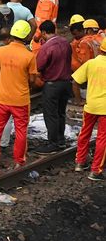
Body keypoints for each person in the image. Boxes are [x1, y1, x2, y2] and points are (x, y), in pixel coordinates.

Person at [0, 20, 38, 171]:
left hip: (2, 97)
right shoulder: (29, 56)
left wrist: (7, 75)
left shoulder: (1, 51)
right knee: (21, 131)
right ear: (27, 36)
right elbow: (33, 80)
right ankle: (19, 161)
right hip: (20, 100)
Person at [32, 20, 72, 155]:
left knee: (51, 114)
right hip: (66, 83)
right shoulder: (66, 43)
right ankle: (61, 140)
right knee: (61, 112)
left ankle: (52, 143)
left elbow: (39, 66)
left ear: (43, 32)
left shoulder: (46, 48)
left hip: (52, 84)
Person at [72, 38, 106, 180]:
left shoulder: (91, 63)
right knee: (102, 139)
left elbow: (75, 82)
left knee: (84, 134)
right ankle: (96, 171)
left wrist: (79, 101)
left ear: (100, 50)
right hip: (105, 109)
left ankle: (80, 163)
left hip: (90, 106)